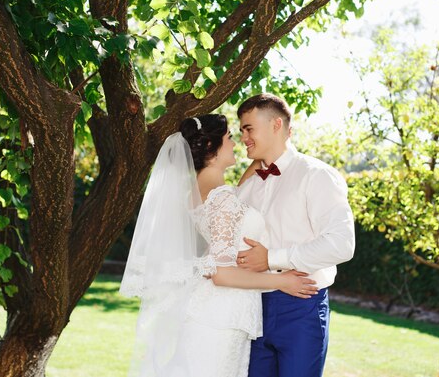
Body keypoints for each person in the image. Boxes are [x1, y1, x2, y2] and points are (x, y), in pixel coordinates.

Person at [119, 114, 318, 377]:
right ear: (212, 147)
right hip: (220, 316)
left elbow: (248, 181)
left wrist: (269, 144)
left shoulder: (202, 190)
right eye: (230, 138)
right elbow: (222, 273)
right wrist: (282, 282)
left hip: (217, 311)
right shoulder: (222, 199)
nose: (237, 143)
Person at [235, 93, 356, 377]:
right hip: (251, 308)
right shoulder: (248, 187)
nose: (243, 138)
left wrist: (272, 259)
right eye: (241, 131)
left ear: (276, 125)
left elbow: (342, 244)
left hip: (301, 306)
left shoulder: (317, 175)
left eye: (248, 128)